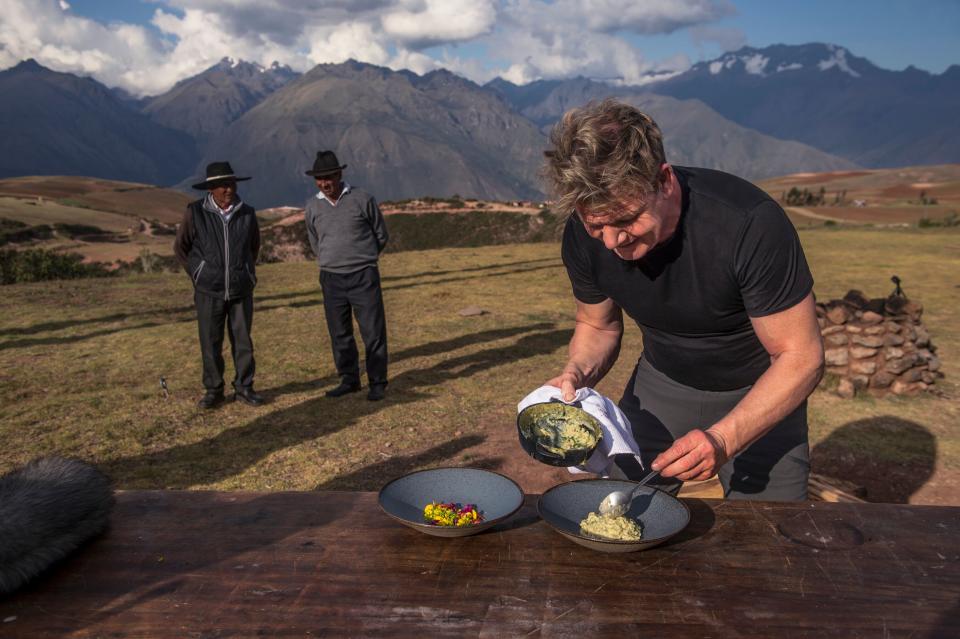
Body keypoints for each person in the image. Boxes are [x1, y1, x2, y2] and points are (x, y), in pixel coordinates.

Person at [542, 99, 824, 500]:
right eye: (596, 226)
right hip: (662, 385)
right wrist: (577, 373)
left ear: (664, 181)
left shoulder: (748, 224)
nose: (612, 241)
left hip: (761, 389)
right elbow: (597, 324)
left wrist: (725, 438)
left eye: (625, 220)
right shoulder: (585, 234)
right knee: (620, 507)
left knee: (769, 533)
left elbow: (802, 357)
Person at [174, 161, 263, 409]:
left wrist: (244, 271)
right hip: (208, 290)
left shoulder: (247, 212)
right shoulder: (195, 212)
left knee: (243, 341)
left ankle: (244, 387)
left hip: (240, 289)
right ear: (211, 188)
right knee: (210, 341)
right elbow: (182, 248)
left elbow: (253, 247)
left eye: (231, 184)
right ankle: (214, 390)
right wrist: (198, 274)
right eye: (222, 186)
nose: (228, 190)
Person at [304, 150, 389, 401]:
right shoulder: (312, 206)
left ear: (339, 174)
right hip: (331, 278)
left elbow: (380, 235)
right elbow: (314, 241)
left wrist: (364, 257)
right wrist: (331, 260)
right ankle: (349, 379)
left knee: (372, 331)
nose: (324, 183)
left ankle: (377, 382)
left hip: (363, 275)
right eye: (319, 179)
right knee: (339, 332)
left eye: (328, 177)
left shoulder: (362, 199)